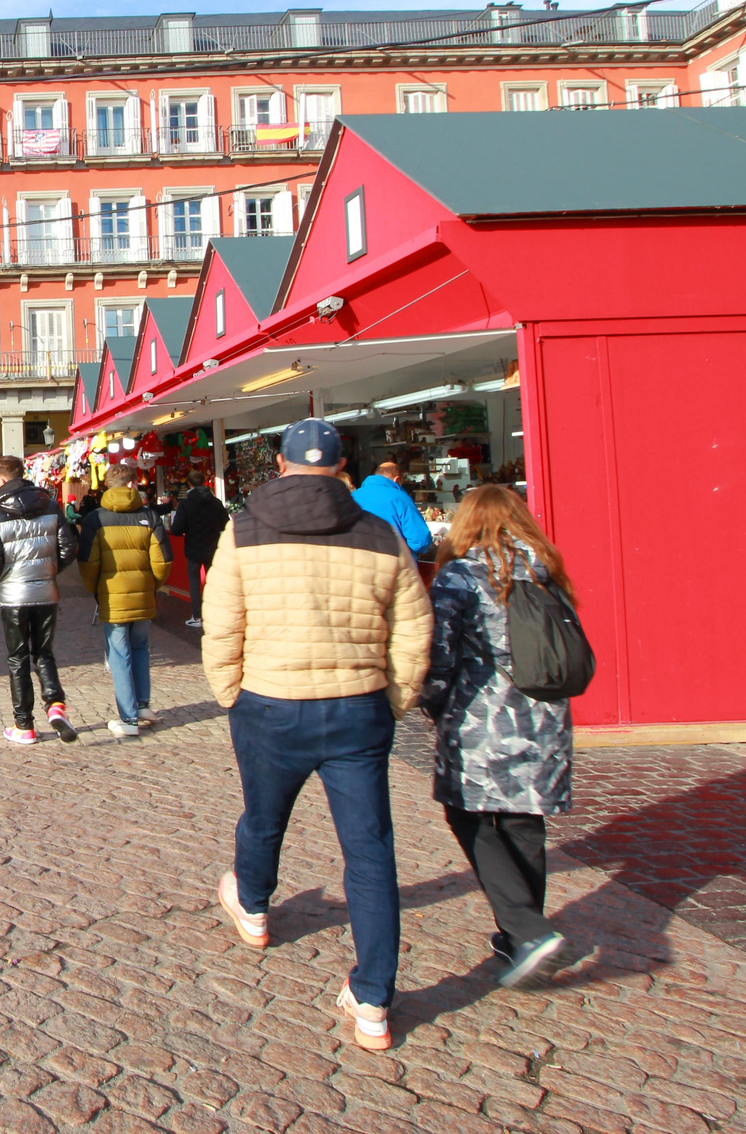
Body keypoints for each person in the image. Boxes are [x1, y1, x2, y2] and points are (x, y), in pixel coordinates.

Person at [199, 418, 431, 1053]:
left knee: (264, 817)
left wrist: (229, 692)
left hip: (271, 701)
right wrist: (395, 700)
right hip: (356, 706)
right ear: (340, 467)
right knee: (369, 851)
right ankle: (375, 998)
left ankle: (252, 905)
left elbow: (221, 622)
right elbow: (413, 627)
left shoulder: (242, 529)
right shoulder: (380, 532)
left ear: (279, 464)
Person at [423, 484, 576, 989]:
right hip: (544, 718)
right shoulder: (546, 570)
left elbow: (439, 657)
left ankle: (529, 931)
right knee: (524, 825)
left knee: (468, 816)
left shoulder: (460, 577)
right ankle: (518, 934)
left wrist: (429, 701)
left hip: (482, 721)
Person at [0, 455, 80, 746]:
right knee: (45, 653)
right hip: (46, 591)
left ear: (0, 479)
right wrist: (51, 571)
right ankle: (55, 705)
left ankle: (24, 725)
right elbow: (68, 548)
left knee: (18, 658)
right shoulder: (50, 504)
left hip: (13, 594)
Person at [76, 462, 172, 738]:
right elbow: (163, 560)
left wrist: (95, 590)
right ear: (132, 484)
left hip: (111, 594)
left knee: (119, 654)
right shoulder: (150, 516)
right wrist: (152, 584)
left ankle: (128, 718)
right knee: (141, 647)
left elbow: (87, 562)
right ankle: (142, 705)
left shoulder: (94, 519)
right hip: (143, 592)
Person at [167, 468, 230, 630]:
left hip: (193, 548)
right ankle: (217, 614)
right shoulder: (216, 503)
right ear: (204, 481)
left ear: (189, 483)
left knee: (195, 583)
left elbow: (176, 530)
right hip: (213, 546)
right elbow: (226, 524)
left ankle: (197, 616)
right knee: (214, 582)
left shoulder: (186, 504)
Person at [354, 460, 435, 561]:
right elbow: (420, 540)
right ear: (397, 479)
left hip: (358, 563)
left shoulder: (352, 496)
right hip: (393, 564)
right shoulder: (400, 498)